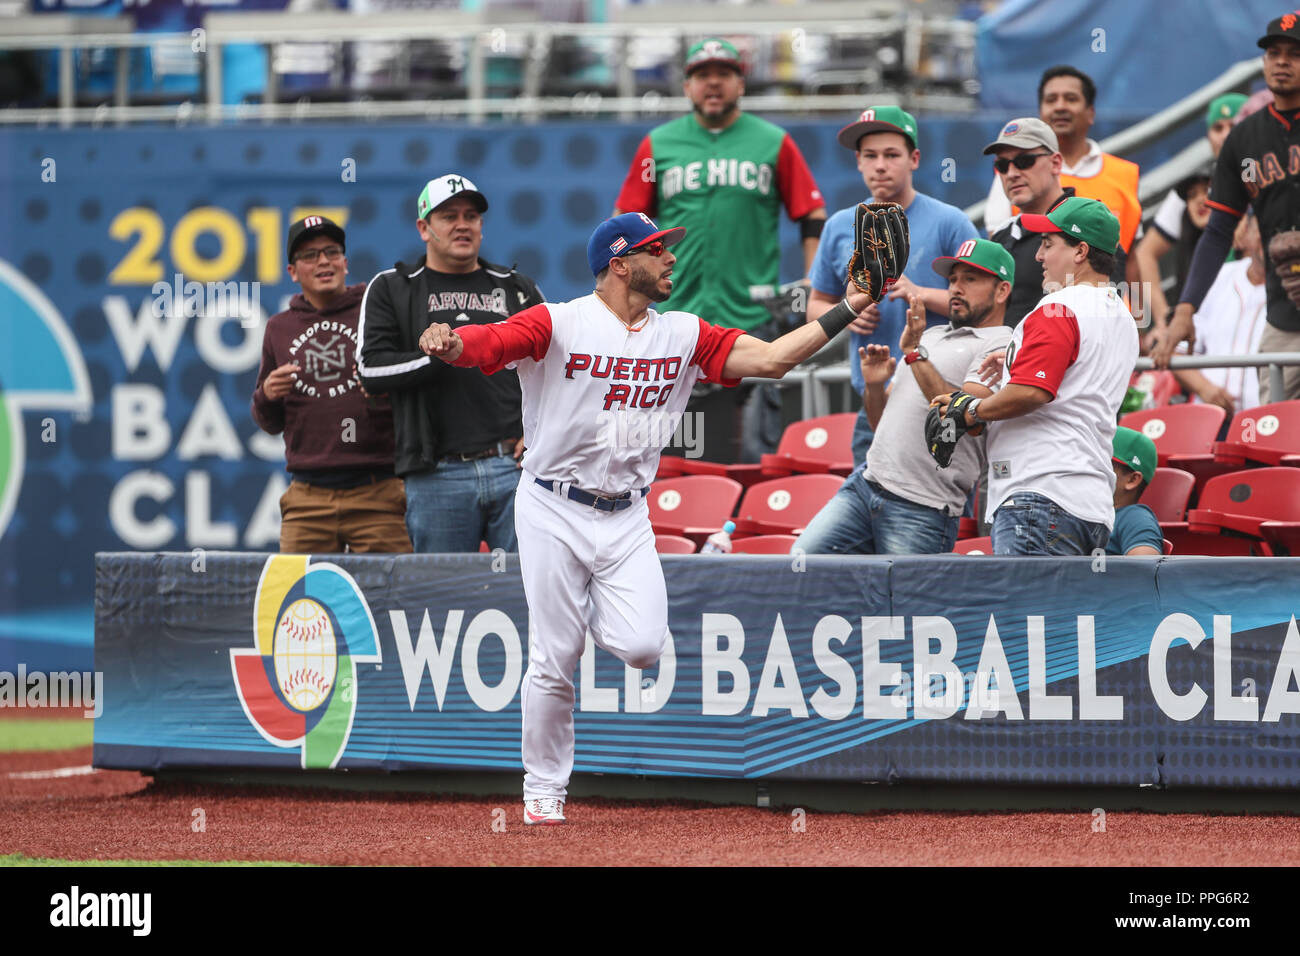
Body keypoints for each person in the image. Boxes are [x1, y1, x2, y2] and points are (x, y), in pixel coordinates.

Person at [418, 212, 886, 825]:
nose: (670, 259)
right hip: (553, 505)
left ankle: (581, 618)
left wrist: (848, 306)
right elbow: (490, 342)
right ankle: (544, 788)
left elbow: (772, 359)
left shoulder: (683, 333)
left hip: (625, 512)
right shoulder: (561, 321)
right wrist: (452, 342)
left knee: (642, 647)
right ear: (619, 264)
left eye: (668, 249)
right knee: (555, 658)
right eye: (657, 250)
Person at [612, 38, 827, 462]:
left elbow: (811, 214)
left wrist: (811, 282)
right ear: (688, 86)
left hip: (753, 318)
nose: (713, 84)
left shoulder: (773, 141)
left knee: (752, 451)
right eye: (701, 76)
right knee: (672, 451)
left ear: (740, 84)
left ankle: (740, 526)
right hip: (675, 315)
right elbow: (624, 225)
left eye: (723, 75)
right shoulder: (658, 145)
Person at [931, 198, 1139, 555]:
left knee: (1023, 612)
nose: (1039, 257)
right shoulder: (1121, 314)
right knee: (1061, 613)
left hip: (1040, 495)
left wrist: (971, 411)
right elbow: (1070, 377)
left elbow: (1031, 393)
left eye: (1047, 244)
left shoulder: (1059, 306)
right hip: (1088, 503)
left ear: (1081, 251)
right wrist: (1015, 358)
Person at [357, 173, 544, 553]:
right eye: (449, 216)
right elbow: (370, 371)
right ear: (424, 228)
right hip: (436, 474)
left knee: (524, 594)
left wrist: (540, 432)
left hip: (514, 466)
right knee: (442, 601)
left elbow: (556, 367)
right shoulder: (393, 287)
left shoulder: (516, 287)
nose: (463, 225)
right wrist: (441, 357)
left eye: (472, 216)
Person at [794, 239, 1014, 554]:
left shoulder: (1002, 345)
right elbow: (878, 422)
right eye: (952, 279)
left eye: (970, 279)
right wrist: (873, 386)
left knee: (908, 602)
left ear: (1002, 291)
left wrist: (913, 354)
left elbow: (959, 418)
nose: (956, 288)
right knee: (800, 564)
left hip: (924, 505)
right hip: (865, 485)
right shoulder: (929, 334)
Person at [807, 105, 978, 465]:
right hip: (873, 404)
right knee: (870, 514)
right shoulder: (839, 225)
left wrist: (920, 293)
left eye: (891, 155)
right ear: (858, 162)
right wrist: (845, 314)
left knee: (939, 518)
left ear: (914, 158)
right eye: (870, 156)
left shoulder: (950, 222)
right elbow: (815, 306)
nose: (880, 165)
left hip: (940, 402)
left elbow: (982, 306)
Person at [1154, 15, 1300, 404]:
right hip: (1285, 311)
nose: (1282, 61)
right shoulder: (1245, 138)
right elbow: (1219, 231)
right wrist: (1185, 308)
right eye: (1273, 53)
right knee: (1276, 430)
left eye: (1294, 53)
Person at [252, 216, 412, 554]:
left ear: (344, 262)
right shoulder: (278, 328)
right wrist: (267, 395)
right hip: (307, 500)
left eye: (331, 251)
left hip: (379, 492)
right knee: (299, 598)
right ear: (292, 272)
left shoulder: (376, 308)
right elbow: (268, 422)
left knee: (393, 600)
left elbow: (412, 376)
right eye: (310, 255)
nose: (323, 261)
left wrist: (386, 387)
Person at [982, 66, 1142, 287]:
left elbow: (1134, 259)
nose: (1060, 107)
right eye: (1051, 99)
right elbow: (998, 270)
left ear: (1091, 112)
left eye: (1071, 98)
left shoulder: (1124, 173)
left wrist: (1140, 319)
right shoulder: (1009, 199)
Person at [984, 116, 1120, 328]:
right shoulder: (1003, 233)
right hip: (1008, 357)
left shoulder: (1089, 226)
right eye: (1002, 165)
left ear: (1056, 163)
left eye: (1024, 161)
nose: (1011, 174)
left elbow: (1119, 307)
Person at [1134, 94, 1247, 332]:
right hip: (1201, 319)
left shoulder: (1269, 178)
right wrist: (1165, 318)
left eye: (1234, 126)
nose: (1226, 134)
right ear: (1207, 136)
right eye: (1218, 127)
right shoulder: (1193, 185)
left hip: (1255, 313)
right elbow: (1145, 253)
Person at [1172, 211, 1268, 415]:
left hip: (1267, 421)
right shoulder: (1218, 277)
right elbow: (1177, 352)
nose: (1266, 236)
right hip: (1210, 418)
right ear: (1246, 232)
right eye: (1261, 227)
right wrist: (1204, 388)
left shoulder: (1291, 288)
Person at [1107, 427, 1163, 557]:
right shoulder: (1083, 510)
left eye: (1105, 464)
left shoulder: (1134, 518)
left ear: (1132, 480)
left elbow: (1144, 571)